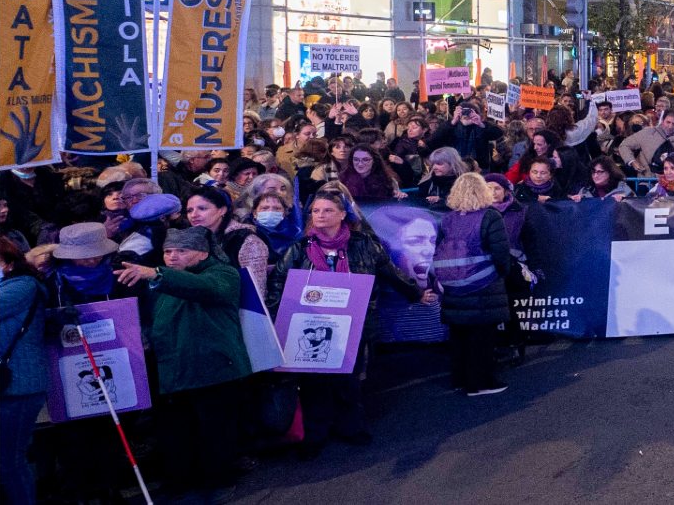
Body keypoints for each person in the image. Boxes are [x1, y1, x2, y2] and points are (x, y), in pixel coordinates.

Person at [267, 187, 435, 455]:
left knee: (348, 380)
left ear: (342, 214)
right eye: (316, 211)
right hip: (311, 325)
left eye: (328, 210)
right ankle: (316, 435)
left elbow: (389, 272)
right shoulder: (299, 249)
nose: (321, 215)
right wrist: (278, 319)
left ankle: (351, 427)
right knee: (314, 384)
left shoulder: (364, 244)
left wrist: (415, 293)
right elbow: (278, 283)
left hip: (353, 325)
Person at [114, 226, 251, 499]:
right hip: (173, 367)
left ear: (202, 253)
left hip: (214, 368)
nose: (173, 257)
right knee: (177, 431)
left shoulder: (222, 273)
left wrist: (157, 274)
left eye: (181, 251)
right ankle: (180, 481)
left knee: (215, 431)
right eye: (167, 251)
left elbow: (204, 289)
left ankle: (219, 481)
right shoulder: (162, 281)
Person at [432, 173, 515, 396]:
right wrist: (502, 273)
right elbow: (500, 252)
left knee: (458, 334)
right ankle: (479, 383)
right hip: (483, 282)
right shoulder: (490, 216)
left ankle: (459, 378)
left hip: (452, 284)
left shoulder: (447, 219)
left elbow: (438, 250)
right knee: (482, 336)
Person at [0, 239, 48, 505]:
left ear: (8, 262)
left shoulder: (22, 286)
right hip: (7, 385)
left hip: (19, 385)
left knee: (9, 460)